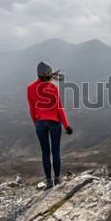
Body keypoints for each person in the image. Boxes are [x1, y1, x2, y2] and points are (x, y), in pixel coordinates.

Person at [27, 61, 73, 190]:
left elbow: (32, 109)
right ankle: (57, 179)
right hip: (54, 123)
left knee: (45, 153)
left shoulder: (30, 88)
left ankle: (48, 181)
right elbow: (59, 109)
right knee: (56, 151)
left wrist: (36, 124)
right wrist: (67, 125)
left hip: (40, 123)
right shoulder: (53, 88)